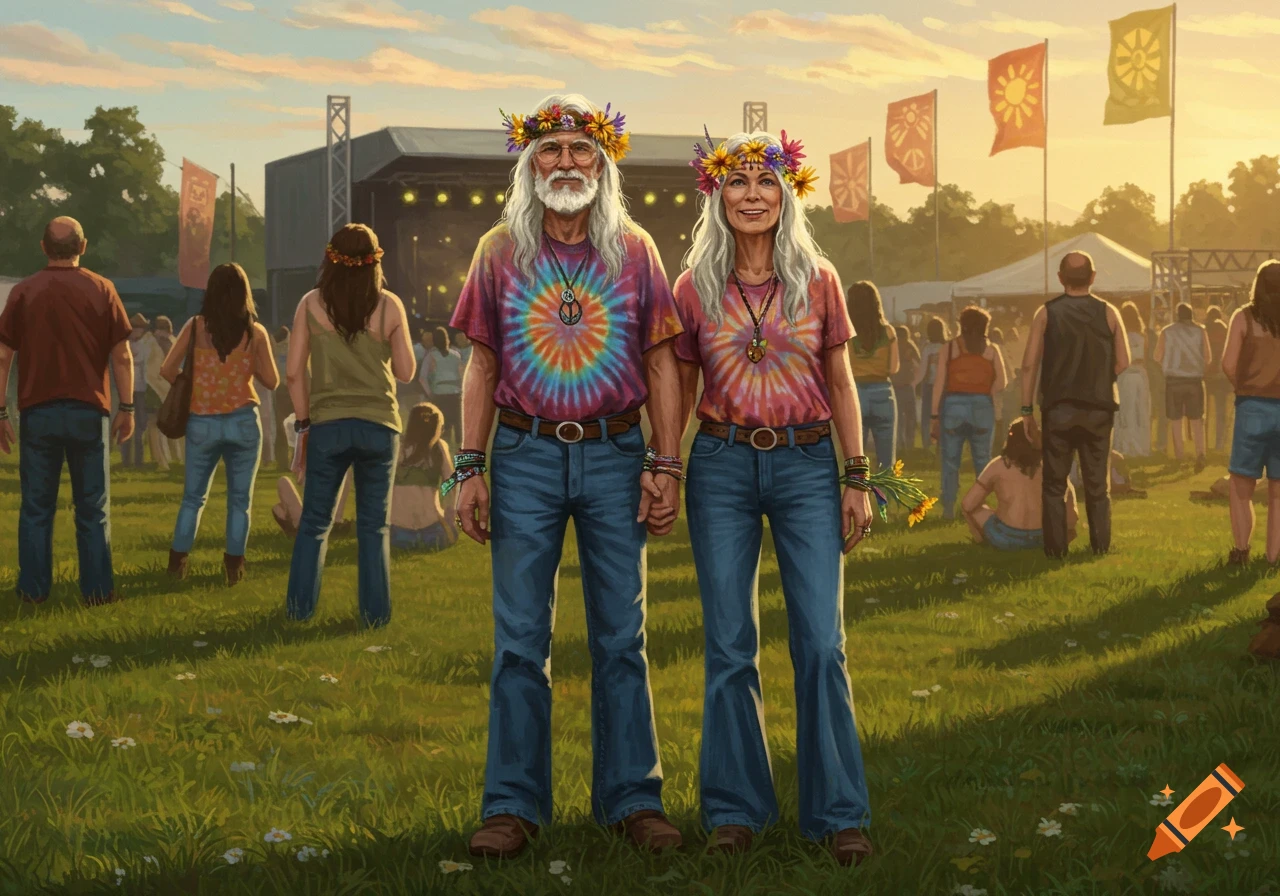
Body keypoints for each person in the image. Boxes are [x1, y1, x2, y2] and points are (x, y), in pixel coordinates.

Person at [451, 94, 685, 860]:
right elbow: (482, 363)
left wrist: (665, 461)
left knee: (623, 636)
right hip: (523, 457)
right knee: (521, 641)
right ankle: (512, 807)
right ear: (529, 164)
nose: (565, 163)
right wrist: (468, 466)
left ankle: (633, 801)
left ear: (603, 162)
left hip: (618, 452)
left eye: (580, 149)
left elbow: (660, 362)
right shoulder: (498, 250)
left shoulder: (637, 250)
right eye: (549, 150)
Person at [674, 128, 874, 866]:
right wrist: (665, 464)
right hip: (722, 466)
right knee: (730, 646)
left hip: (808, 465)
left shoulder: (818, 278)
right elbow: (680, 383)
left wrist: (857, 475)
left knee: (821, 642)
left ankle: (839, 814)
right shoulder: (691, 285)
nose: (752, 195)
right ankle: (735, 811)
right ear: (716, 194)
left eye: (765, 182)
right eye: (738, 182)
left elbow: (842, 380)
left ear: (786, 193)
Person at [285, 223, 415, 627]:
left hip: (328, 424)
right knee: (374, 527)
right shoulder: (389, 305)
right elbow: (407, 372)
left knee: (315, 524)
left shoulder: (310, 304)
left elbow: (293, 373)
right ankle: (375, 616)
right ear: (375, 259)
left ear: (330, 258)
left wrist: (304, 423)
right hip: (380, 425)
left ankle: (298, 611)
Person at [0, 216, 134, 605]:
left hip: (38, 411)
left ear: (44, 247)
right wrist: (126, 405)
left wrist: (1, 412)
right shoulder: (102, 288)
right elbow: (122, 355)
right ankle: (96, 590)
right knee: (93, 508)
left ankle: (33, 590)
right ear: (83, 246)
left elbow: (4, 354)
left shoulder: (24, 292)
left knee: (36, 508)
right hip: (89, 410)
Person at [161, 263, 278, 584]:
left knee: (193, 498)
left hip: (202, 420)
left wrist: (196, 384)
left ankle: (177, 564)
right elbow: (271, 380)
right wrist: (244, 366)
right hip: (243, 420)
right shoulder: (256, 332)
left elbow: (167, 369)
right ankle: (234, 567)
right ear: (245, 294)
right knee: (240, 501)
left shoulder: (196, 326)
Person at [1020, 251, 1130, 557]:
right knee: (1098, 485)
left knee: (1054, 484)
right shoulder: (1109, 312)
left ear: (1060, 278)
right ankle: (1100, 547)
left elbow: (1029, 365)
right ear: (1093, 277)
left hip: (1058, 409)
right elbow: (1123, 361)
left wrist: (1027, 410)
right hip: (1099, 408)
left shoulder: (1046, 313)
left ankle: (1055, 550)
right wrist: (1097, 378)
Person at [1221, 259, 1280, 568]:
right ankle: (1274, 557)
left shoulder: (1243, 317)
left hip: (1253, 407)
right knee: (1278, 493)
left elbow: (1228, 364)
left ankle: (1242, 550)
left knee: (1241, 486)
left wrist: (1242, 387)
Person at [931, 306, 1006, 520]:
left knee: (950, 461)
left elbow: (939, 383)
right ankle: (979, 507)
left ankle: (948, 509)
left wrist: (934, 416)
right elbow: (1003, 380)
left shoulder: (950, 348)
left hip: (954, 405)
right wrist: (988, 393)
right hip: (982, 406)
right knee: (982, 460)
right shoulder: (992, 349)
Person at [961, 420, 1078, 551]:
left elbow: (967, 504)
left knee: (978, 509)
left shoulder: (998, 465)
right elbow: (1072, 514)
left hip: (1005, 539)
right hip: (1045, 538)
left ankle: (981, 542)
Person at [389, 402, 458, 551]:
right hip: (433, 532)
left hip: (398, 533)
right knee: (451, 532)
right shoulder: (439, 447)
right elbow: (451, 483)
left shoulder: (396, 446)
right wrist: (450, 510)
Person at [272, 413, 353, 539]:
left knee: (283, 483)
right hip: (326, 516)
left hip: (308, 521)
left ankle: (300, 523)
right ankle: (336, 520)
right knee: (343, 470)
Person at [847, 281, 899, 469]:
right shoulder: (888, 331)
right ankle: (883, 498)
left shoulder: (846, 332)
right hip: (883, 392)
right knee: (886, 460)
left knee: (855, 458)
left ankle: (858, 495)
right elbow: (893, 368)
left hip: (854, 393)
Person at [1154, 303, 1211, 471]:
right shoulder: (1201, 330)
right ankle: (1201, 453)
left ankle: (1180, 456)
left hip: (1173, 381)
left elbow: (1156, 356)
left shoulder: (1166, 331)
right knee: (1196, 420)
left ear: (1177, 315)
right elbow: (1208, 357)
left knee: (1176, 421)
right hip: (1194, 380)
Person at [1113, 301, 1151, 458]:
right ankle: (1142, 448)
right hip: (1141, 373)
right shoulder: (1143, 336)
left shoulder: (1120, 336)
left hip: (1126, 373)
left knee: (1125, 412)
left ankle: (1126, 447)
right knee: (1141, 411)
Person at [122, 313, 158, 467]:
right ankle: (126, 460)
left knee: (141, 424)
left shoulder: (145, 345)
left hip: (141, 389)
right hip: (128, 389)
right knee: (126, 422)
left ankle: (138, 460)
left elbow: (147, 367)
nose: (138, 331)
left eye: (140, 329)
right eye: (135, 328)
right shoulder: (124, 344)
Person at [420, 326, 464, 447]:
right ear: (447, 339)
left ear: (434, 341)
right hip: (456, 394)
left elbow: (422, 378)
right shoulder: (456, 355)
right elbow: (462, 376)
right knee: (459, 425)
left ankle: (443, 453)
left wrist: (430, 394)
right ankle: (461, 452)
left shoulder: (430, 356)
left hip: (439, 395)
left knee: (441, 426)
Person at [146, 315, 176, 471]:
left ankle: (163, 461)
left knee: (156, 424)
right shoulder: (158, 343)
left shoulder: (164, 342)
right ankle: (163, 459)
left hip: (161, 388)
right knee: (156, 424)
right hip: (158, 387)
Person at [913, 316, 947, 451]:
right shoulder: (947, 347)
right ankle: (941, 445)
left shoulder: (928, 348)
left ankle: (927, 445)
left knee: (927, 417)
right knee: (943, 416)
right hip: (945, 386)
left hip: (929, 385)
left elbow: (922, 370)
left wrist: (914, 383)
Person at [1205, 305, 1231, 453]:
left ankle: (1204, 442)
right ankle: (1219, 443)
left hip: (1207, 374)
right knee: (1220, 412)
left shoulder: (1205, 329)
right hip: (1221, 376)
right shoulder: (1223, 328)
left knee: (1205, 413)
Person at [893, 324, 920, 453]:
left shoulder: (892, 346)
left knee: (899, 418)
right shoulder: (910, 346)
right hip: (907, 386)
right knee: (910, 417)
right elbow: (919, 362)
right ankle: (909, 443)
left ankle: (900, 443)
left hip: (895, 386)